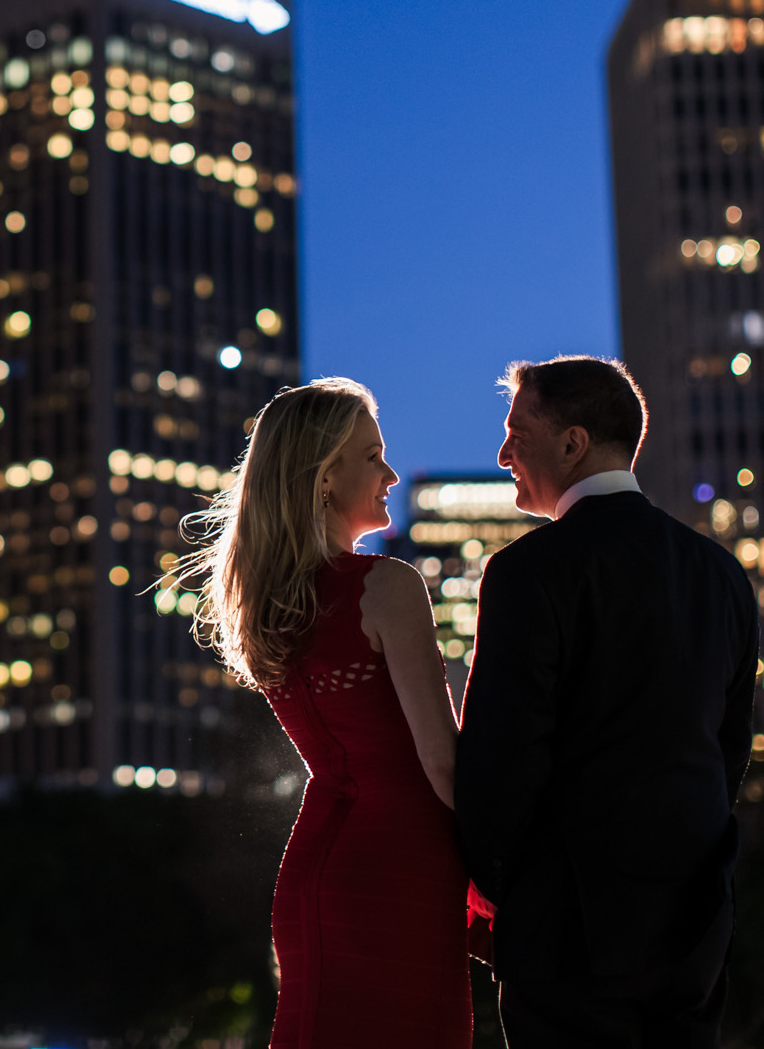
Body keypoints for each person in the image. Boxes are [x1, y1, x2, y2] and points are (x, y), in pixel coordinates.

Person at [455, 356, 758, 1047]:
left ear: (573, 442)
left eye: (517, 431)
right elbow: (727, 750)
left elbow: (502, 756)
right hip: (695, 923)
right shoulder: (721, 575)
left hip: (570, 930)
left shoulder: (528, 571)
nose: (504, 452)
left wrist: (501, 887)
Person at [187, 378, 471, 1048]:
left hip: (321, 869)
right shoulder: (388, 587)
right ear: (323, 476)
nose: (391, 473)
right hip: (403, 870)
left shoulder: (270, 604)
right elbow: (442, 762)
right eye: (373, 456)